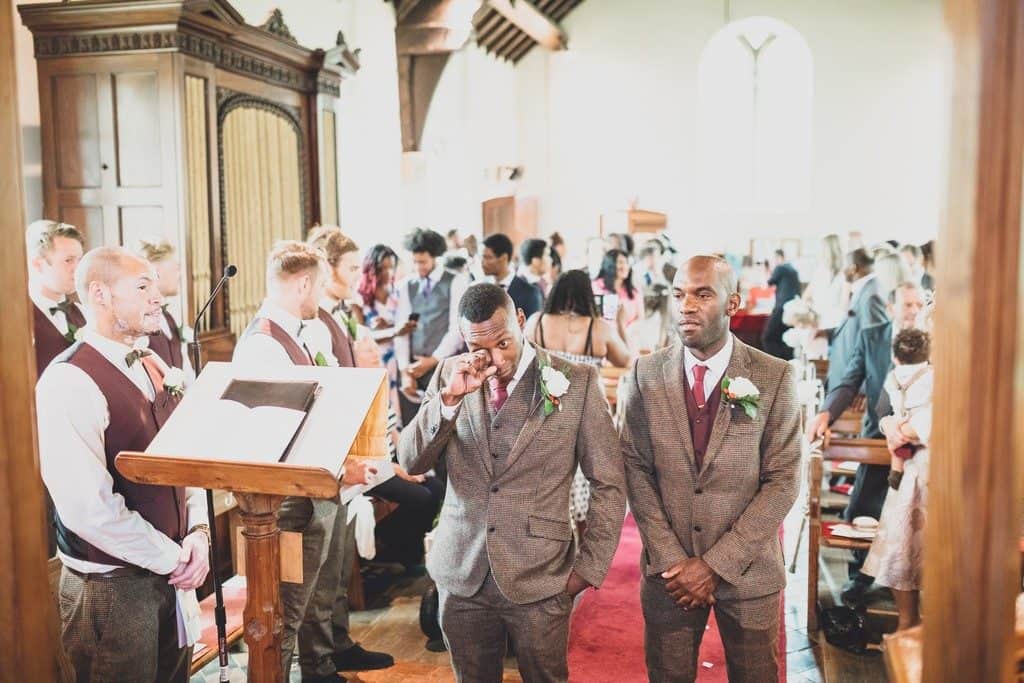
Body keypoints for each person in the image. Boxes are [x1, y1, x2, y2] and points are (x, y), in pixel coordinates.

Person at [398, 283, 626, 683]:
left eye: (504, 342)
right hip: (461, 572)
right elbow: (411, 459)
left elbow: (608, 482)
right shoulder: (449, 375)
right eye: (480, 348)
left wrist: (587, 570)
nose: (495, 358)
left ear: (521, 321)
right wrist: (448, 402)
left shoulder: (578, 382)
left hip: (542, 576)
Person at [620, 255, 800, 682]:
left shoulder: (774, 377)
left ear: (733, 303)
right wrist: (671, 559)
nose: (686, 306)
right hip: (671, 574)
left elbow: (784, 481)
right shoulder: (647, 373)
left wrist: (715, 566)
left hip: (749, 569)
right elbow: (635, 467)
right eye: (679, 294)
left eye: (703, 294)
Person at [37, 246, 210, 682]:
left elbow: (190, 458)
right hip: (111, 592)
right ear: (100, 294)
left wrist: (199, 534)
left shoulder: (154, 363)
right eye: (142, 286)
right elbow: (87, 510)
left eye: (155, 284)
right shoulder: (68, 381)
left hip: (170, 574)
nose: (158, 297)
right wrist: (173, 557)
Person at [232, 240, 385, 680]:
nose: (321, 295)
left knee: (306, 600)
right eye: (318, 285)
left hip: (312, 486)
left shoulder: (292, 334)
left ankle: (319, 667)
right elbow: (278, 435)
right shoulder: (264, 345)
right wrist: (336, 470)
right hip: (289, 499)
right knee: (285, 611)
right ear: (302, 284)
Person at [805, 282, 926, 606]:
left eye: (918, 304)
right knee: (862, 507)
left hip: (920, 438)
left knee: (909, 517)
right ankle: (859, 579)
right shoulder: (873, 337)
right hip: (877, 434)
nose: (914, 311)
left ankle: (904, 582)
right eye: (907, 305)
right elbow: (849, 380)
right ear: (890, 309)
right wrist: (826, 414)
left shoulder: (933, 338)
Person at [524, 270, 632, 526]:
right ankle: (582, 545)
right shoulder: (598, 327)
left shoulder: (537, 322)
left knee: (546, 485)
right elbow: (626, 360)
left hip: (542, 413)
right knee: (584, 480)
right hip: (586, 416)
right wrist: (618, 323)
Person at [863, 326, 933, 631]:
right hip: (921, 465)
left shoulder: (895, 377)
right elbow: (882, 414)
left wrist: (896, 429)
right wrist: (890, 424)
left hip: (919, 465)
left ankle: (915, 623)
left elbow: (920, 423)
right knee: (904, 546)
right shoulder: (934, 377)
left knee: (915, 546)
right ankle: (908, 624)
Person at [394, 228, 471, 424]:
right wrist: (405, 370)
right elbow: (402, 331)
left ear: (435, 258)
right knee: (413, 428)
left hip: (444, 367)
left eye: (423, 262)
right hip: (414, 370)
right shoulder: (406, 286)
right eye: (414, 261)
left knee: (443, 425)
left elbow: (457, 328)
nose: (418, 267)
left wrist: (434, 359)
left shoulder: (456, 282)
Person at [27, 219, 87, 377]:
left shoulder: (84, 313)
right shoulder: (19, 322)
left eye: (79, 260)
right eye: (68, 260)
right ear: (38, 265)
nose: (78, 269)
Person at [826, 248, 888, 391]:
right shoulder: (865, 289)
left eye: (845, 266)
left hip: (854, 389)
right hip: (845, 382)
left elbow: (876, 347)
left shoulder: (872, 296)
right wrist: (826, 333)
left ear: (853, 268)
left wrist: (865, 390)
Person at [135, 237, 194, 378]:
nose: (180, 275)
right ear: (156, 272)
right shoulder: (140, 321)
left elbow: (186, 372)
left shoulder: (169, 317)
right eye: (176, 268)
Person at [481, 233, 543, 318]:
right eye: (482, 257)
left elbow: (531, 329)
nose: (483, 262)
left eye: (488, 257)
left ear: (504, 258)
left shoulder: (530, 293)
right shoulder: (481, 289)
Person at [761, 249, 802, 360]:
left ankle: (777, 365)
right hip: (793, 309)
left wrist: (765, 269)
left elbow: (767, 283)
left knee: (767, 337)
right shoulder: (793, 269)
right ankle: (787, 364)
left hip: (782, 308)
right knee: (785, 339)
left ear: (778, 258)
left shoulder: (781, 268)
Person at [593, 249, 644, 327]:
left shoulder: (634, 292)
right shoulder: (596, 286)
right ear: (609, 265)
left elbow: (640, 318)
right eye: (620, 262)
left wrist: (627, 332)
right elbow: (598, 318)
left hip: (629, 335)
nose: (625, 266)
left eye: (626, 262)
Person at [628, 282, 675, 354]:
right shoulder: (638, 313)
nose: (650, 299)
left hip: (652, 348)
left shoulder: (662, 314)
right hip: (639, 347)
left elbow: (665, 325)